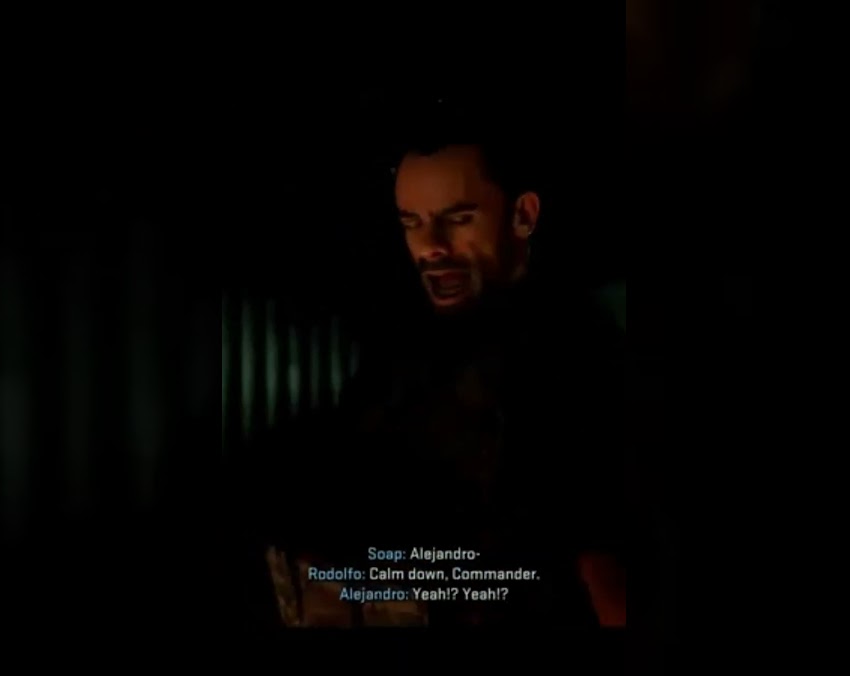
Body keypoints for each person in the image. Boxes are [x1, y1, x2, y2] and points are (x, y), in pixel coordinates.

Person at [258, 106, 629, 627]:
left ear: (523, 216)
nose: (430, 246)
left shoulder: (578, 357)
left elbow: (603, 568)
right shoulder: (400, 351)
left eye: (458, 218)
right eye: (411, 222)